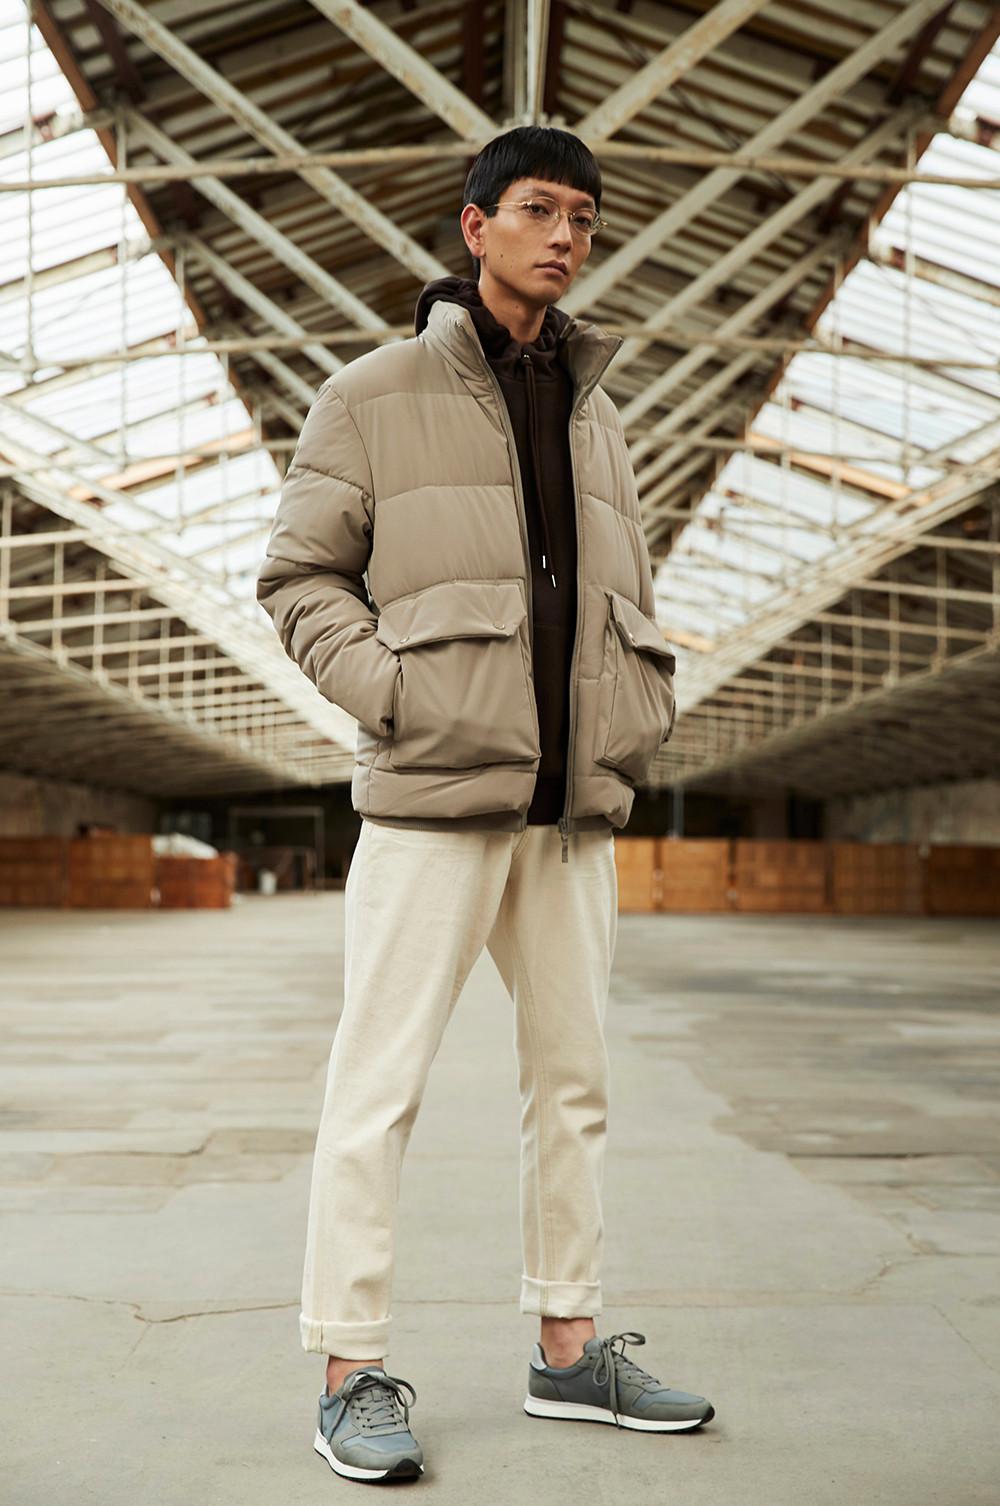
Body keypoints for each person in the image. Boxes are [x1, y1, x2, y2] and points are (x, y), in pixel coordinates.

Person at [256, 124, 713, 1484]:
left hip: (571, 812)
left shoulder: (601, 410)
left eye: (581, 214)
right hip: (431, 800)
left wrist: (631, 719)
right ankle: (350, 1367)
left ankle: (567, 1347)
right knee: (376, 1087)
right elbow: (297, 578)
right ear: (474, 226)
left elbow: (615, 602)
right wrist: (387, 690)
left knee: (572, 1088)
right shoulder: (373, 394)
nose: (564, 234)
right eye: (536, 208)